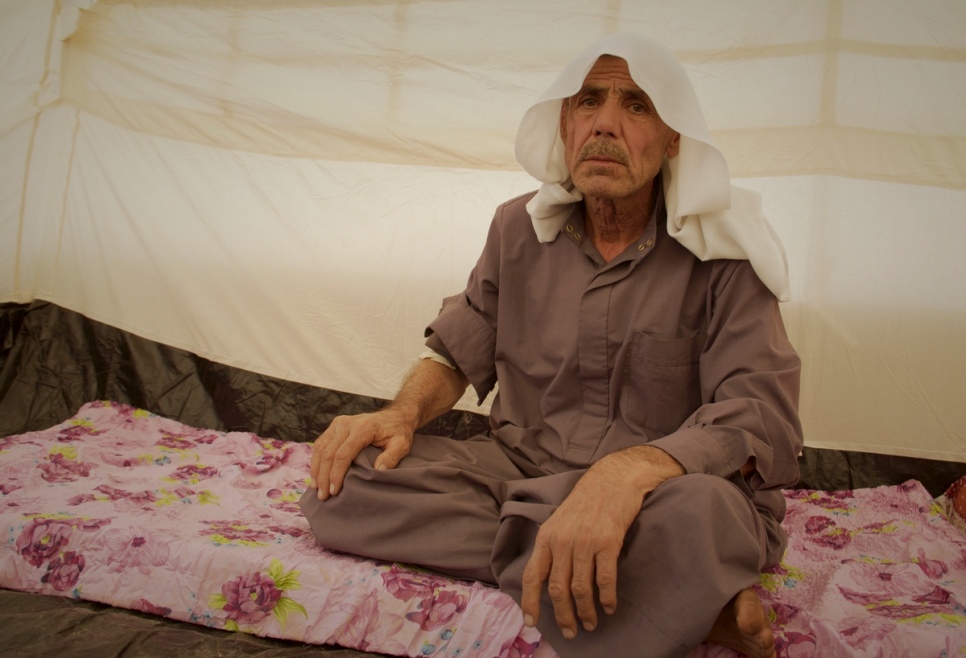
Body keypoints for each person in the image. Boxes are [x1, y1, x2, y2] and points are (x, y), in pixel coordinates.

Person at [300, 32, 802, 658]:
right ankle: (683, 597)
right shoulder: (517, 228)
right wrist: (398, 414)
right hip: (521, 469)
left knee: (705, 514)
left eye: (637, 106)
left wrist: (627, 473)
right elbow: (458, 350)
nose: (606, 125)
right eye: (588, 102)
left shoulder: (725, 255)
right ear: (564, 123)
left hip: (660, 495)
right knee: (345, 486)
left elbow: (760, 414)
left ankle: (618, 553)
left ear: (674, 139)